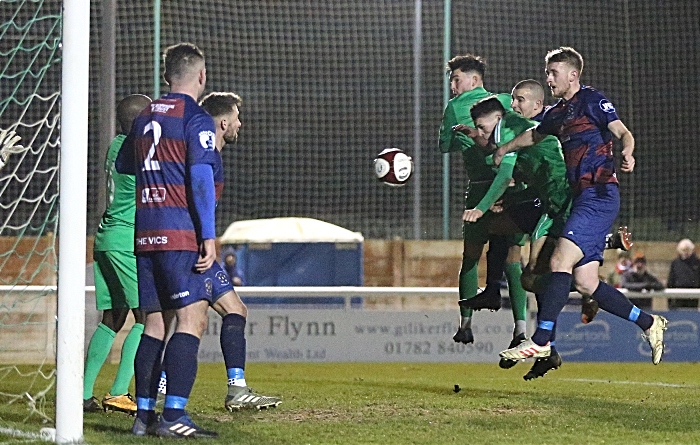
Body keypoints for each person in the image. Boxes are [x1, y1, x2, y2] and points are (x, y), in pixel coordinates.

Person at [494, 47, 667, 365]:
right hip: (583, 199)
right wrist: (503, 148)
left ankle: (542, 340)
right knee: (585, 282)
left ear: (573, 74)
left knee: (560, 258)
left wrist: (628, 152)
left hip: (599, 194)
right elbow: (533, 136)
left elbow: (622, 132)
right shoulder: (557, 113)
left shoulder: (592, 100)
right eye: (547, 73)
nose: (549, 79)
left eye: (554, 72)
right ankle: (650, 323)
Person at [116, 42, 219, 438]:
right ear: (201, 76)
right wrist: (208, 236)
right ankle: (174, 414)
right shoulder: (196, 118)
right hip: (179, 235)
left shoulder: (143, 118)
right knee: (193, 318)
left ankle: (143, 417)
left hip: (144, 235)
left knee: (154, 325)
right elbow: (200, 180)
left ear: (166, 77)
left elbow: (126, 164)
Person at [464, 94, 571, 379]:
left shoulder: (509, 129)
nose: (482, 133)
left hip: (558, 202)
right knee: (500, 231)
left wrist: (480, 207)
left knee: (535, 277)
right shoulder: (509, 131)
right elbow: (526, 174)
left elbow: (504, 177)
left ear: (497, 120)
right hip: (543, 200)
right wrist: (509, 201)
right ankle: (493, 291)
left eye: (482, 127)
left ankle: (551, 338)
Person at [438, 54, 529, 351]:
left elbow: (444, 146)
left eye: (456, 79)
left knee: (471, 257)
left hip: (480, 189)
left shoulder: (454, 108)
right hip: (514, 187)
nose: (453, 85)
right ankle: (521, 329)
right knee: (513, 261)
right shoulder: (505, 100)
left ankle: (465, 326)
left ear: (474, 79)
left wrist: (457, 137)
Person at [196, 91, 280, 410]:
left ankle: (236, 389)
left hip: (187, 247)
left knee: (230, 311)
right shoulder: (207, 155)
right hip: (193, 249)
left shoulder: (205, 152)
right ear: (222, 122)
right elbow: (200, 200)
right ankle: (232, 390)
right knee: (184, 321)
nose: (240, 124)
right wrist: (207, 244)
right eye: (236, 118)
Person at [83, 94, 151, 415]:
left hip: (107, 236)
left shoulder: (116, 145)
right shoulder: (132, 150)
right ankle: (119, 392)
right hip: (126, 238)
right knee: (148, 316)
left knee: (113, 318)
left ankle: (82, 395)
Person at [667, 238, 700, 308]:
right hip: (678, 296)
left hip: (693, 296)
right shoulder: (675, 263)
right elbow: (671, 281)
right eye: (684, 250)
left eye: (688, 250)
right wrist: (669, 301)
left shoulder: (697, 263)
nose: (686, 252)